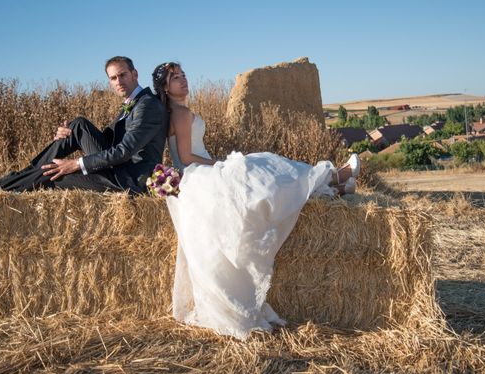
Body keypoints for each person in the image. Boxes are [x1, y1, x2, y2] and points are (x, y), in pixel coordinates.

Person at [152, 62, 360, 340]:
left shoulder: (177, 111)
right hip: (197, 173)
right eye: (175, 78)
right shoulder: (180, 112)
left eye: (183, 75)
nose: (183, 80)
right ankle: (334, 176)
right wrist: (219, 164)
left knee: (260, 175)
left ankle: (334, 185)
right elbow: (187, 157)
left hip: (199, 171)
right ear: (165, 87)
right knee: (260, 168)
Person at [0, 56, 169, 216]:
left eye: (122, 75)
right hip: (119, 168)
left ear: (135, 74)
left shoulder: (146, 105)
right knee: (78, 125)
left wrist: (76, 164)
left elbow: (124, 150)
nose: (118, 82)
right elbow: (109, 137)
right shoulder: (132, 103)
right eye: (113, 78)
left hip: (127, 180)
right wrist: (69, 135)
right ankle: (21, 175)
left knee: (54, 174)